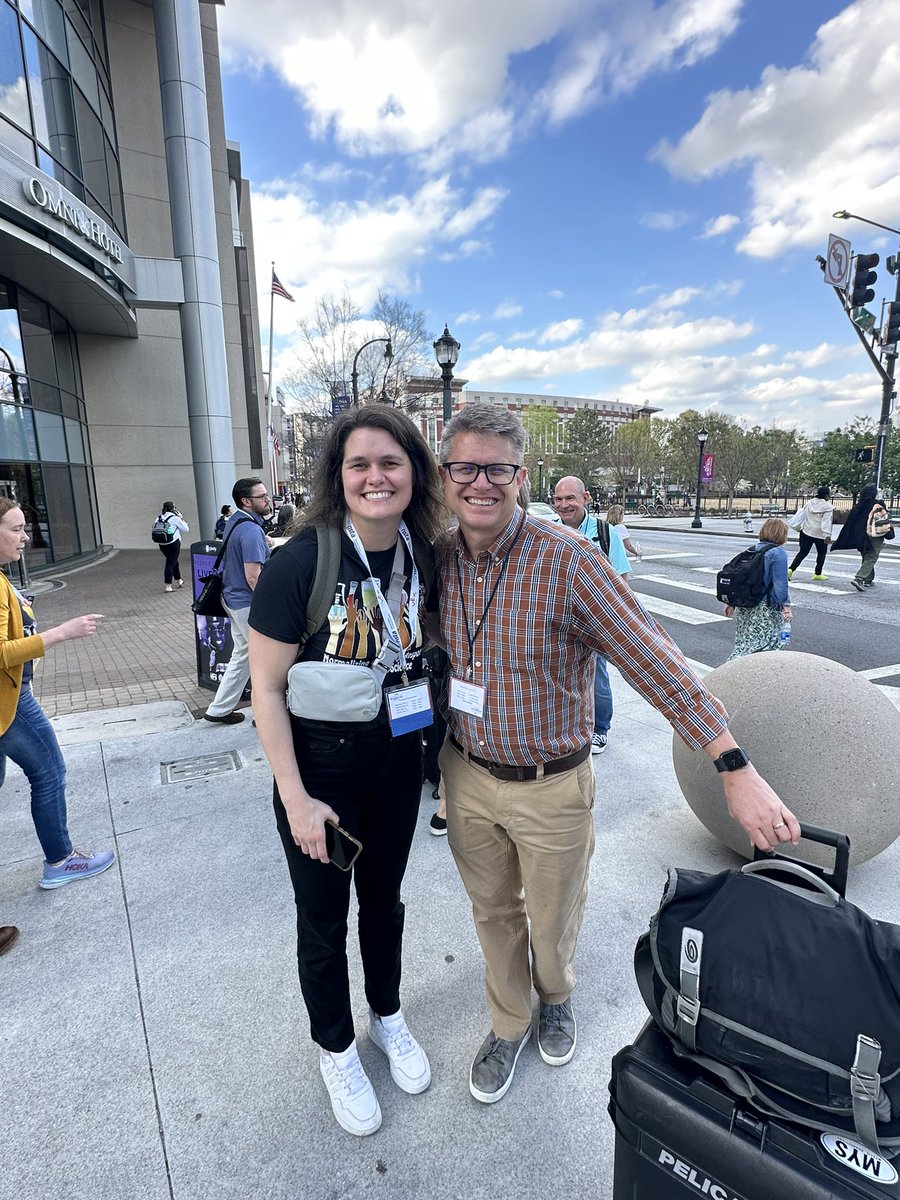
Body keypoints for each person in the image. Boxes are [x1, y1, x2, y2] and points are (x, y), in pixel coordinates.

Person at [432, 404, 797, 1106]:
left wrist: (733, 766)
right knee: (491, 913)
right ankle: (509, 1022)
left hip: (552, 784)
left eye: (497, 469)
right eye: (465, 468)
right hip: (466, 773)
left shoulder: (568, 559)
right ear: (446, 477)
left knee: (553, 911)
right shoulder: (438, 557)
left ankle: (556, 993)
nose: (481, 483)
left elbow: (653, 659)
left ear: (522, 476)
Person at [248, 407, 445, 1137]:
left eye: (390, 462)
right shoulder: (302, 561)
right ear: (339, 475)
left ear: (412, 474)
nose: (375, 477)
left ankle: (387, 1015)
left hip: (397, 765)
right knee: (324, 921)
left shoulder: (425, 554)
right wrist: (296, 798)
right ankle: (335, 1047)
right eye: (359, 464)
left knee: (385, 904)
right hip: (319, 778)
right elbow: (265, 688)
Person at [0, 498, 116, 889]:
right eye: (16, 529)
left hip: (9, 698)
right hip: (10, 702)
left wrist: (22, 613)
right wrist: (61, 633)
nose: (25, 538)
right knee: (48, 773)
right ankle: (61, 860)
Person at [553, 476, 631, 755]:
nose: (564, 505)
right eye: (558, 499)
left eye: (570, 498)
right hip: (559, 621)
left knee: (596, 675)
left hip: (595, 622)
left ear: (585, 498)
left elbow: (621, 579)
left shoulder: (605, 532)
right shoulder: (549, 532)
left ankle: (600, 729)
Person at [202, 478, 271, 725]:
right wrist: (273, 606)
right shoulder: (251, 530)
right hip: (247, 603)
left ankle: (219, 709)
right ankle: (264, 713)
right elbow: (254, 577)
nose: (267, 499)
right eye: (261, 496)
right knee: (267, 659)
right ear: (246, 501)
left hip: (231, 599)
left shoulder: (235, 522)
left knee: (243, 655)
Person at [724, 518, 792, 660]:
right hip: (765, 608)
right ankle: (743, 676)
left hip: (746, 605)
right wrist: (786, 606)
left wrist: (732, 603)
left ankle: (732, 673)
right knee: (767, 645)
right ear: (781, 534)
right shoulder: (778, 553)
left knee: (744, 644)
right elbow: (780, 584)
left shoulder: (752, 550)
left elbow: (740, 579)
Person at [831, 484, 892, 592]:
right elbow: (884, 520)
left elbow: (851, 522)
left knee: (866, 555)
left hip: (861, 535)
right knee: (872, 556)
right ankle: (859, 578)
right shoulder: (877, 505)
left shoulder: (858, 506)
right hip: (875, 534)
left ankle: (868, 579)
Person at [788, 487, 833, 581]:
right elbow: (826, 522)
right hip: (820, 533)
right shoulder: (828, 507)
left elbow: (803, 515)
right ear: (825, 495)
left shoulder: (810, 503)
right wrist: (827, 535)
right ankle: (817, 573)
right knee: (821, 553)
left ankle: (790, 570)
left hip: (806, 531)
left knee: (803, 552)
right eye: (829, 494)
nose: (830, 496)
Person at [156, 501, 189, 593]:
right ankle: (168, 585)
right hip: (173, 543)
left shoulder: (159, 518)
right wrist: (181, 518)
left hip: (162, 544)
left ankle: (179, 580)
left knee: (174, 561)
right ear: (173, 509)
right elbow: (186, 529)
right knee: (170, 563)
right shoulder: (175, 518)